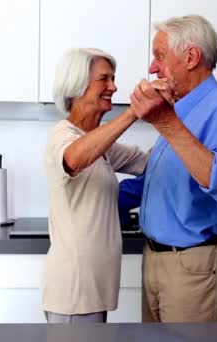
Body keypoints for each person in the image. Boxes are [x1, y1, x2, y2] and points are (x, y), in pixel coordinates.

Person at [122, 14, 217, 322]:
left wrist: (165, 122)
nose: (152, 67)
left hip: (194, 263)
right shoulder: (181, 109)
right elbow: (167, 177)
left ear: (191, 57)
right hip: (158, 258)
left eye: (159, 56)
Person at [43, 48, 148, 323]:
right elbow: (75, 158)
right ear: (77, 85)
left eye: (113, 79)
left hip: (91, 290)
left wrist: (176, 119)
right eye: (104, 79)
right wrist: (133, 113)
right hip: (73, 291)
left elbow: (149, 163)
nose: (113, 87)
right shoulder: (62, 135)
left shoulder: (102, 146)